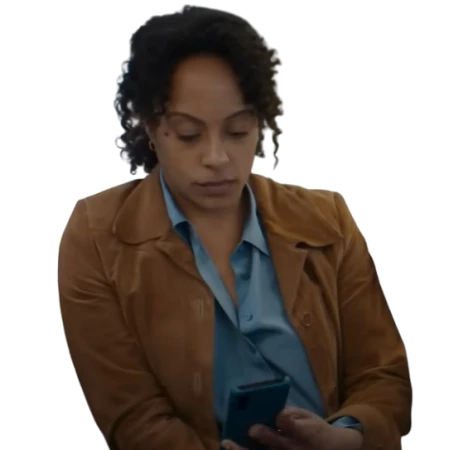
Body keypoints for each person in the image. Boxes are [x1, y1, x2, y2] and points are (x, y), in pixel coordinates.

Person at [57, 5, 413, 450]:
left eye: (238, 131)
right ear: (148, 127)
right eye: (188, 134)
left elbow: (384, 377)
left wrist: (346, 438)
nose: (217, 157)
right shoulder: (97, 236)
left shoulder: (327, 220)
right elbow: (131, 415)